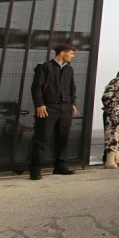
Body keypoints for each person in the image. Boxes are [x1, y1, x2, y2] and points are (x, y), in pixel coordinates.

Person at [28, 43, 80, 180]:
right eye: (71, 53)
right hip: (48, 107)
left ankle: (60, 166)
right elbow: (36, 87)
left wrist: (72, 103)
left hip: (65, 108)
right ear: (62, 53)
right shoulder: (45, 67)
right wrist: (39, 104)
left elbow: (72, 88)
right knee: (42, 138)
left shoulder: (69, 69)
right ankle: (35, 169)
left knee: (63, 137)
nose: (72, 56)